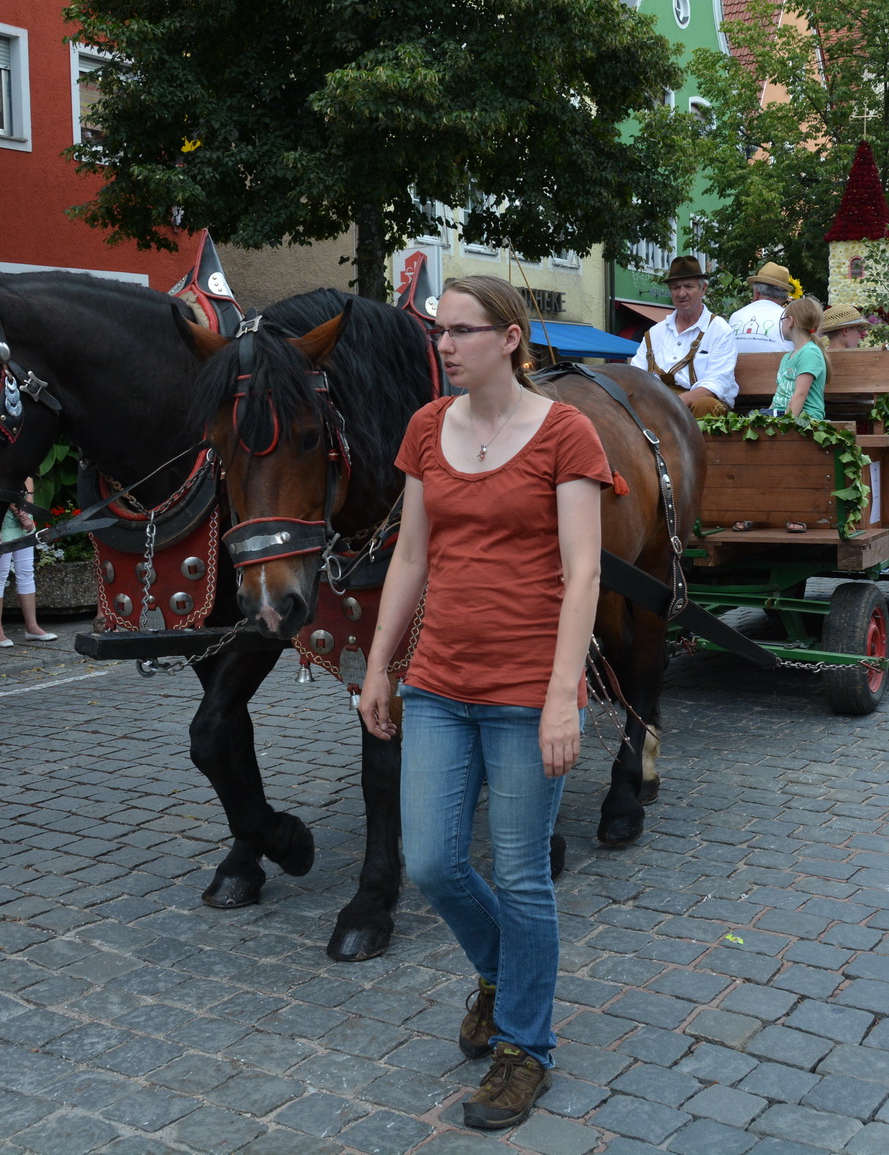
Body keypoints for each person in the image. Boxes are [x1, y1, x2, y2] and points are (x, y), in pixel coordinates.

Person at [358, 275, 607, 1130]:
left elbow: (585, 574)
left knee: (524, 873)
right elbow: (411, 558)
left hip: (524, 688)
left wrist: (562, 697)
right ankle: (505, 976)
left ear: (509, 338)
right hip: (439, 682)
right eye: (439, 332)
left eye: (461, 331)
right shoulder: (429, 428)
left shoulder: (564, 433)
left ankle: (524, 1047)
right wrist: (380, 662)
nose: (445, 345)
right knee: (429, 860)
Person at [628, 256, 736, 417]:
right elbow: (634, 377)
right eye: (675, 287)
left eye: (688, 286)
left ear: (703, 289)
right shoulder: (655, 333)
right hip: (656, 405)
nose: (681, 293)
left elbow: (715, 385)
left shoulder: (720, 331)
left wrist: (673, 405)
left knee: (705, 404)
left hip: (699, 407)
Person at [0, 480, 58, 647]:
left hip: (22, 511)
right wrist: (23, 512)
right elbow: (0, 484)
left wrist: (28, 504)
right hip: (3, 518)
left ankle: (32, 627)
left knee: (25, 572)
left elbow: (28, 476)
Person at [769, 297, 827, 422]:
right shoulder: (787, 357)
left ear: (790, 321)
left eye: (782, 320)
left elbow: (800, 395)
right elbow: (778, 398)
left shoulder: (810, 353)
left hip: (804, 419)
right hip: (781, 415)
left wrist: (785, 426)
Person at [727, 262, 794, 356]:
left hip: (738, 370)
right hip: (776, 369)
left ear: (756, 292)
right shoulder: (789, 318)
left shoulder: (736, 316)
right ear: (783, 297)